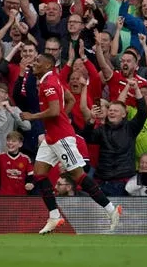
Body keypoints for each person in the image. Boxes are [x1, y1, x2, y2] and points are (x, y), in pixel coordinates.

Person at [20, 54, 122, 234]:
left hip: (61, 137)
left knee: (78, 176)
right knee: (40, 174)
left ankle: (111, 210)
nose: (34, 64)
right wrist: (63, 118)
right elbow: (70, 100)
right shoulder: (54, 80)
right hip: (52, 136)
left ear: (48, 65)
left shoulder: (49, 83)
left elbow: (53, 111)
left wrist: (32, 116)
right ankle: (54, 216)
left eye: (38, 61)